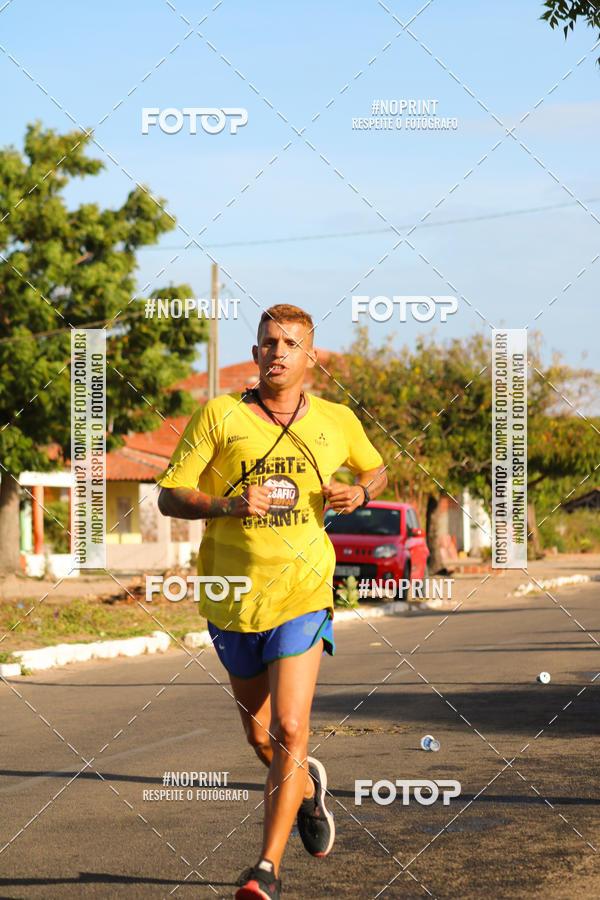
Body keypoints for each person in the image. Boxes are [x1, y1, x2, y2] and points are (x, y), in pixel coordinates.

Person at [157, 304, 387, 900]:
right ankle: (309, 793)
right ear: (256, 352)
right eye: (268, 342)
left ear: (310, 356)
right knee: (262, 741)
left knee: (290, 728)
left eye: (291, 343)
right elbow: (169, 498)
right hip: (231, 596)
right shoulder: (221, 414)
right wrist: (229, 505)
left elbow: (378, 469)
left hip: (303, 591)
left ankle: (266, 870)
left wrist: (358, 490)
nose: (278, 351)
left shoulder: (336, 419)